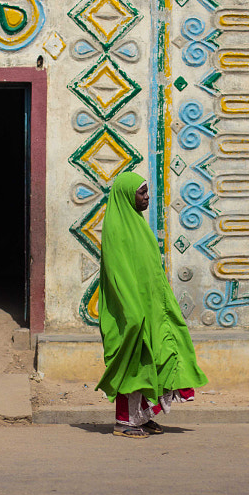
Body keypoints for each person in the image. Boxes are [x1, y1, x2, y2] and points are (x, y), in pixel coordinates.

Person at [95, 170, 208, 438]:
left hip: (151, 307)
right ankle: (124, 421)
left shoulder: (138, 225)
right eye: (142, 192)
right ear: (126, 195)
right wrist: (132, 312)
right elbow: (118, 275)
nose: (147, 198)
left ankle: (142, 417)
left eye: (146, 192)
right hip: (132, 310)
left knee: (157, 356)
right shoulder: (116, 229)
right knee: (133, 361)